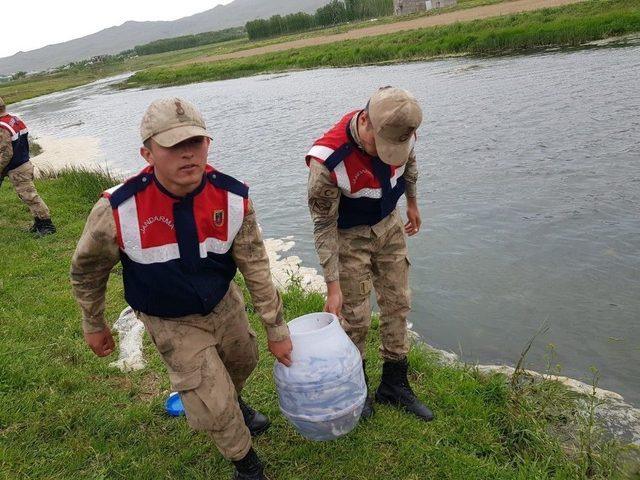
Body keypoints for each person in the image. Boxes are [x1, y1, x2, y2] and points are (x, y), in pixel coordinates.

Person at [71, 97, 292, 480]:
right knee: (212, 397)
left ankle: (233, 402)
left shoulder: (232, 198)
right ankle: (247, 465)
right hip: (169, 317)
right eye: (174, 147)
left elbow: (255, 265)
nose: (188, 155)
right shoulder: (118, 210)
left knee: (244, 359)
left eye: (196, 143)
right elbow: (86, 271)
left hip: (223, 302)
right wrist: (93, 323)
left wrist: (277, 328)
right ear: (148, 152)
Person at [305, 86, 434, 422]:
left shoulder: (399, 132)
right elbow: (323, 226)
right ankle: (356, 387)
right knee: (355, 317)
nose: (389, 154)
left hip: (389, 224)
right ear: (365, 122)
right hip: (348, 236)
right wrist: (332, 285)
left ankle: (395, 383)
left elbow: (410, 162)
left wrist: (413, 203)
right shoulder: (327, 161)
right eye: (382, 146)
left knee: (398, 301)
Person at [0, 96, 56, 235]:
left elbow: (6, 153)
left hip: (17, 167)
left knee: (31, 197)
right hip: (24, 162)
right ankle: (38, 223)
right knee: (26, 196)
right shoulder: (15, 119)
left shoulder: (2, 126)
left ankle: (47, 226)